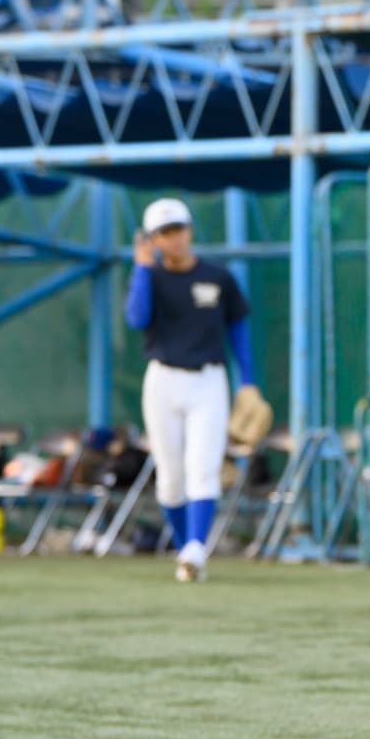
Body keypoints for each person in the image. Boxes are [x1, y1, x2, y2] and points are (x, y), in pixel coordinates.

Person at [126, 197, 258, 582]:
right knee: (169, 477)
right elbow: (136, 317)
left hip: (208, 380)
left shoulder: (218, 277)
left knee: (203, 467)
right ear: (152, 239)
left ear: (190, 230)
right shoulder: (150, 277)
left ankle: (197, 548)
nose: (175, 238)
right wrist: (141, 267)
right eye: (164, 233)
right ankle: (187, 550)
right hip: (162, 379)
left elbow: (238, 329)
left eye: (179, 229)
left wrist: (248, 382)